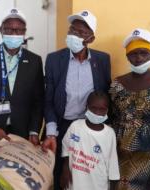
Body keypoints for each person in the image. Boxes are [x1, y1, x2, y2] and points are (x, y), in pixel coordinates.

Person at [42, 10, 111, 189]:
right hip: (62, 126)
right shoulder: (54, 59)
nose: (74, 35)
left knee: (86, 176)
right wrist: (51, 132)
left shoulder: (102, 60)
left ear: (91, 39)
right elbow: (48, 100)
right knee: (60, 177)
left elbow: (104, 94)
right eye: (72, 30)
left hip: (89, 128)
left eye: (81, 33)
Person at [109, 28, 150, 190]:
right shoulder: (117, 85)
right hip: (119, 160)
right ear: (127, 56)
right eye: (133, 53)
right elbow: (111, 121)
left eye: (143, 53)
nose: (138, 58)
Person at [0, 8, 44, 145]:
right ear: (1, 30)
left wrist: (34, 131)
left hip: (23, 133)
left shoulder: (34, 61)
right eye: (9, 29)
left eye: (19, 30)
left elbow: (38, 101)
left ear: (24, 33)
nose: (14, 34)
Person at [60, 91, 119, 190]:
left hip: (98, 185)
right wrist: (65, 169)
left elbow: (112, 164)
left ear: (107, 110)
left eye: (102, 109)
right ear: (86, 107)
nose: (97, 113)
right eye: (93, 108)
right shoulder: (75, 126)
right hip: (75, 184)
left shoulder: (109, 134)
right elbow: (66, 147)